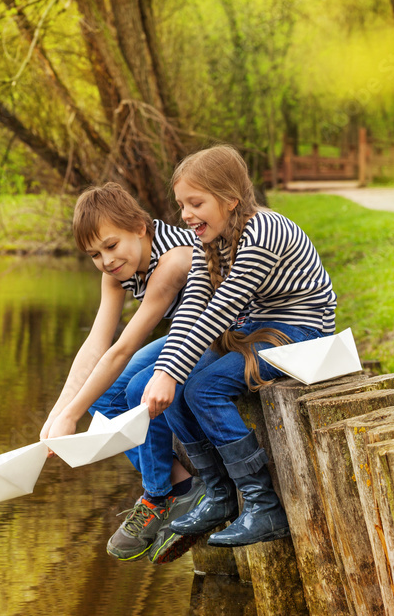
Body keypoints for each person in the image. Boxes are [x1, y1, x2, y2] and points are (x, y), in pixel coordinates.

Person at [135, 144, 336, 547]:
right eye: (181, 205)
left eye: (196, 203)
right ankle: (220, 496)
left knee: (203, 388)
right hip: (260, 327)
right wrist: (165, 374)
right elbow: (191, 311)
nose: (186, 215)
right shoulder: (210, 242)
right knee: (177, 388)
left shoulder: (262, 233)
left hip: (302, 330)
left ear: (230, 200)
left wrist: (169, 372)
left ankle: (265, 508)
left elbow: (220, 311)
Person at [40, 182, 206, 563]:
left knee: (137, 390)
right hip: (183, 339)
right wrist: (59, 412)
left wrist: (70, 415)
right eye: (94, 255)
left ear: (140, 227)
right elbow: (96, 345)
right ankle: (180, 487)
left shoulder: (174, 260)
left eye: (111, 246)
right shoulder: (115, 273)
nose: (106, 260)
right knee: (104, 396)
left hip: (219, 335)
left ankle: (158, 496)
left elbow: (122, 349)